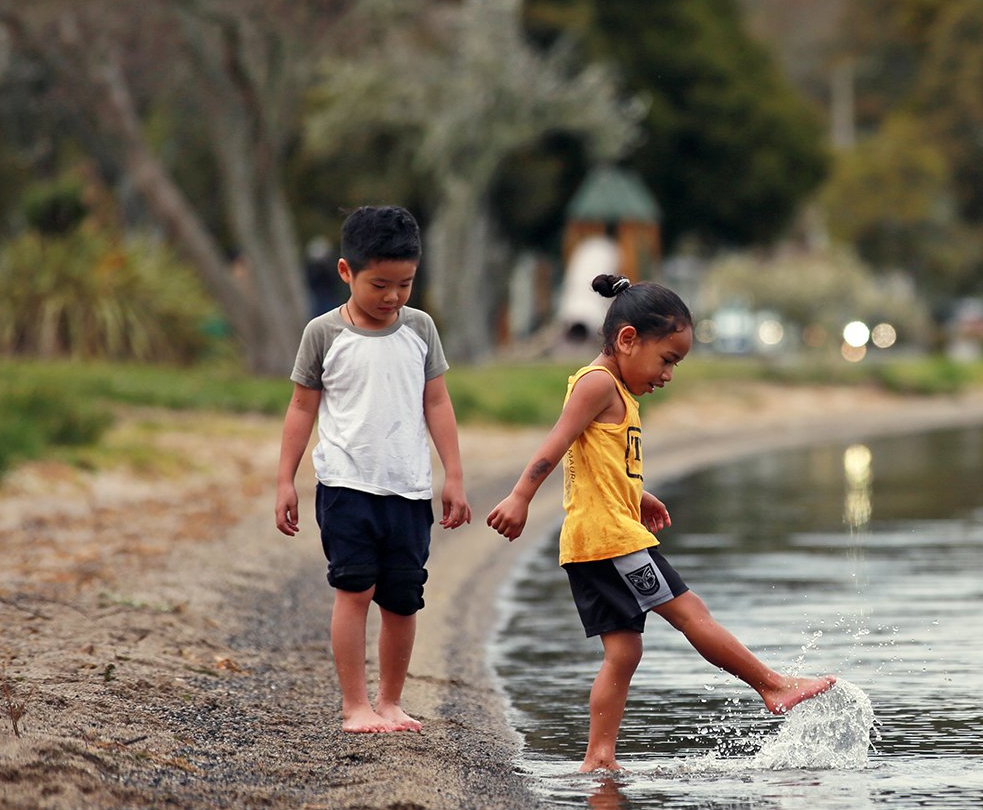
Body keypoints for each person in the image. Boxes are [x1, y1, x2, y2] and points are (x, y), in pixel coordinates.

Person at [485, 276, 834, 773]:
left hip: (599, 539)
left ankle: (598, 757)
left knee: (624, 651)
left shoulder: (619, 393)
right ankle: (772, 686)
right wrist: (520, 497)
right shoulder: (598, 383)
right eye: (667, 359)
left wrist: (638, 493)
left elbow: (596, 462)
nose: (669, 374)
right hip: (610, 541)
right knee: (692, 612)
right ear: (628, 340)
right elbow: (557, 443)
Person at [275, 205, 472, 734]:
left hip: (409, 489)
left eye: (405, 284)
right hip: (344, 486)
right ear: (346, 272)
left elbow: (438, 404)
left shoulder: (421, 330)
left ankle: (390, 702)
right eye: (379, 284)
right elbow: (301, 408)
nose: (392, 297)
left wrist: (452, 476)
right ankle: (354, 706)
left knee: (403, 599)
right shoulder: (322, 333)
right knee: (354, 589)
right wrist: (285, 481)